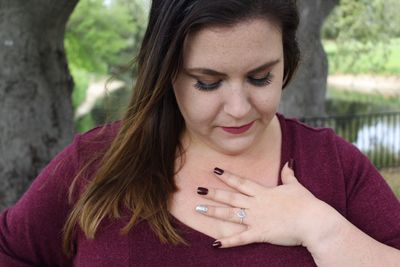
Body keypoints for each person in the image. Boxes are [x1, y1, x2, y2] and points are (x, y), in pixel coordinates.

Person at [1, 0, 399, 266]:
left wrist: (322, 229)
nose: (240, 108)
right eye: (208, 82)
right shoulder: (94, 161)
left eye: (261, 78)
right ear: (167, 72)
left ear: (286, 62)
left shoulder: (336, 166)